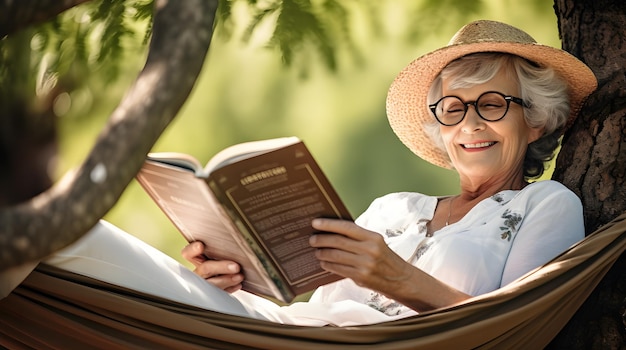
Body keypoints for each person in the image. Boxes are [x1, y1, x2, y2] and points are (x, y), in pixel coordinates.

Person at [1, 20, 597, 326]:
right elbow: (303, 298)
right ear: (439, 126)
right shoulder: (395, 208)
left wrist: (396, 278)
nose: (471, 124)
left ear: (536, 121)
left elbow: (516, 327)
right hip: (273, 329)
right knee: (51, 227)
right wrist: (233, 274)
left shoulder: (548, 207)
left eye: (493, 105)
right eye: (453, 109)